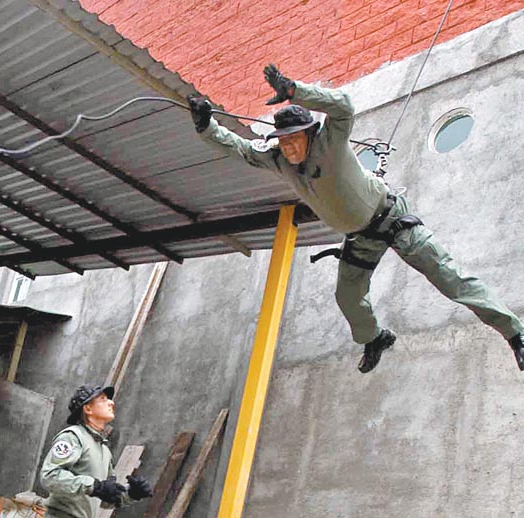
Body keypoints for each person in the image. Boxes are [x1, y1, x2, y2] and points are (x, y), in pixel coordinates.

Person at [187, 63, 524, 374]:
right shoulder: (278, 159)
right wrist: (206, 125)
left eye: (294, 140)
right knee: (347, 295)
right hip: (361, 236)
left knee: (449, 276)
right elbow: (243, 149)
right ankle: (375, 337)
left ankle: (515, 333)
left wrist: (295, 91)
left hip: (392, 219)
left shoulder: (330, 143)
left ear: (309, 134)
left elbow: (344, 106)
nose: (289, 148)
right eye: (284, 142)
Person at [40, 385, 153, 518]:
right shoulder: (73, 437)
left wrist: (131, 494)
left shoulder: (104, 450)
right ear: (87, 408)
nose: (111, 402)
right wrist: (94, 486)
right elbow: (49, 477)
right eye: (103, 399)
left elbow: (106, 500)